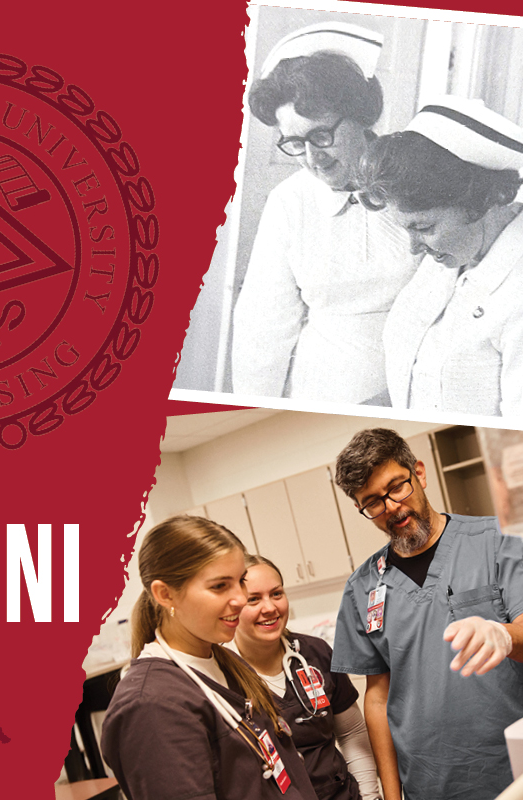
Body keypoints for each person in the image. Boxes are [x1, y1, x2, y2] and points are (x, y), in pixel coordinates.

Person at [330, 428, 523, 800]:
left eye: (396, 487)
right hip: (429, 784)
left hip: (512, 772)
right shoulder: (362, 587)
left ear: (419, 472)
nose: (391, 507)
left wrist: (503, 636)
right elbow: (377, 697)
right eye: (373, 503)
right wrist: (391, 794)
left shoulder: (498, 541)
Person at [232, 23, 416, 403]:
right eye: (295, 143)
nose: (313, 158)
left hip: (413, 390)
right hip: (319, 395)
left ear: (359, 116)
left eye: (320, 136)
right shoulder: (290, 203)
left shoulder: (413, 181)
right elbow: (262, 333)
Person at [100, 516, 319, 799]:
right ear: (165, 594)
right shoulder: (152, 706)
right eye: (219, 586)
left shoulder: (225, 663)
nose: (241, 598)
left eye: (240, 581)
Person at [358, 96, 523, 416]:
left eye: (424, 227)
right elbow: (416, 381)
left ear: (480, 202)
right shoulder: (450, 257)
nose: (413, 247)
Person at [232, 554, 380, 800]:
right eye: (253, 599)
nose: (269, 608)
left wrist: (370, 796)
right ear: (232, 606)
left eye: (276, 594)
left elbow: (351, 733)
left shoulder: (316, 653)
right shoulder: (219, 676)